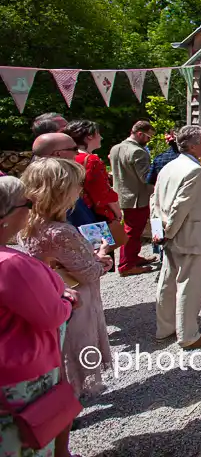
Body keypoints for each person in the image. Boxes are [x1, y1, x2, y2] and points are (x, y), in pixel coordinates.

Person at [19, 158, 113, 398]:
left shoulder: (27, 222)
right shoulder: (61, 231)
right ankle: (67, 407)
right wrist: (102, 257)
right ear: (61, 190)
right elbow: (89, 273)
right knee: (72, 350)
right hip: (73, 298)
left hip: (47, 292)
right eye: (76, 186)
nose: (79, 191)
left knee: (58, 352)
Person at [0, 175, 80, 457]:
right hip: (18, 372)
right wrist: (66, 301)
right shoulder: (11, 265)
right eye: (26, 203)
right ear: (6, 216)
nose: (31, 207)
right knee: (26, 443)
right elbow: (50, 315)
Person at [153, 126, 201, 349]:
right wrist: (168, 232)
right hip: (185, 234)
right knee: (188, 286)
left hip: (167, 233)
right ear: (191, 145)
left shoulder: (169, 166)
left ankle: (165, 328)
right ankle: (189, 335)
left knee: (167, 281)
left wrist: (157, 231)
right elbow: (180, 207)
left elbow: (156, 201)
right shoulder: (193, 170)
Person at [63, 120, 137, 272]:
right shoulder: (92, 160)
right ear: (89, 137)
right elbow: (102, 193)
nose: (101, 138)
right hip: (95, 218)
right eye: (98, 134)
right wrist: (117, 213)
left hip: (74, 212)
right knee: (99, 259)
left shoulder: (67, 158)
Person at [109, 120, 157, 275]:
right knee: (133, 232)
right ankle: (126, 265)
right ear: (140, 134)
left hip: (122, 196)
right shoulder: (138, 152)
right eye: (148, 137)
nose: (149, 141)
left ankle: (132, 257)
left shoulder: (116, 148)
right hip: (137, 198)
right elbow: (146, 177)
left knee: (131, 230)